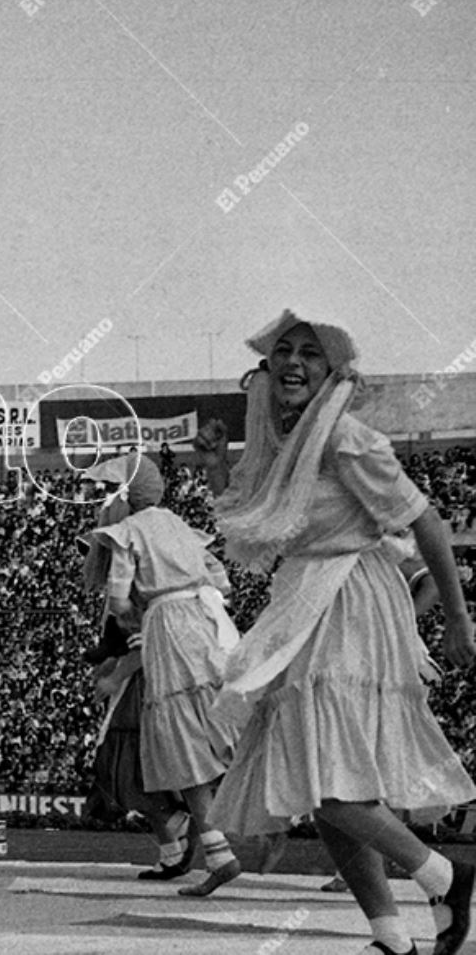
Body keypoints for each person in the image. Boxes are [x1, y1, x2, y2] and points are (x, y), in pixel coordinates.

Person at [198, 310, 476, 955]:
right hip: (303, 598)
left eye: (310, 354)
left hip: (348, 602)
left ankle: (445, 875)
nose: (292, 363)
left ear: (332, 372)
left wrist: (459, 618)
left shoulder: (345, 437)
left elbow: (428, 522)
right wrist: (212, 465)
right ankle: (391, 935)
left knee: (324, 779)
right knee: (321, 785)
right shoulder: (281, 445)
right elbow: (255, 524)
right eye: (283, 352)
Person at [82, 453, 241, 894]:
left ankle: (217, 850)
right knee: (215, 726)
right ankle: (221, 848)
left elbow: (116, 598)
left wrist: (136, 611)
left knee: (180, 742)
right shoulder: (178, 525)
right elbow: (221, 582)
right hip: (207, 625)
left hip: (168, 628)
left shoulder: (130, 531)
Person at [83, 613, 194, 879]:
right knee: (134, 780)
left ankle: (173, 841)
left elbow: (141, 650)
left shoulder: (134, 604)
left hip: (136, 705)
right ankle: (175, 833)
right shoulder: (138, 608)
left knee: (133, 778)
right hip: (142, 700)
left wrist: (114, 674)